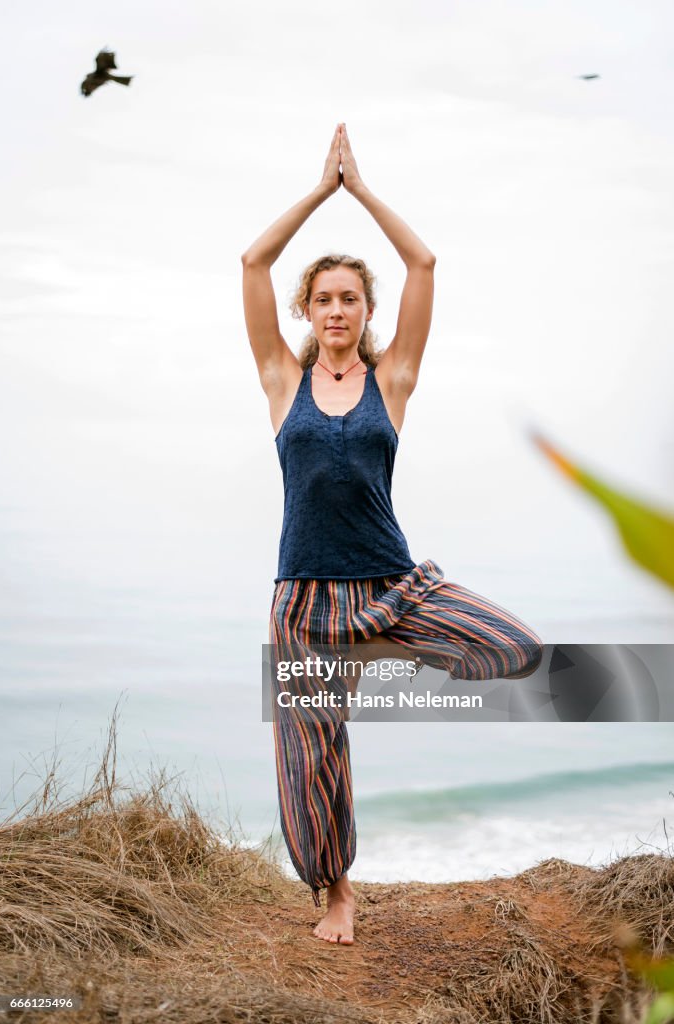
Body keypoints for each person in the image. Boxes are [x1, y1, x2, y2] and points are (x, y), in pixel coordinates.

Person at [241, 124, 542, 946]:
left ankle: (376, 653)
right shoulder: (281, 381)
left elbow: (424, 265)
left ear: (366, 310)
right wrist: (316, 191)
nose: (336, 310)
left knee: (513, 646)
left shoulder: (393, 380)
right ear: (305, 310)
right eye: (323, 298)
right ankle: (335, 895)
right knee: (312, 764)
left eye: (349, 298)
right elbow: (252, 264)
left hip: (389, 585)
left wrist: (362, 191)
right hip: (301, 600)